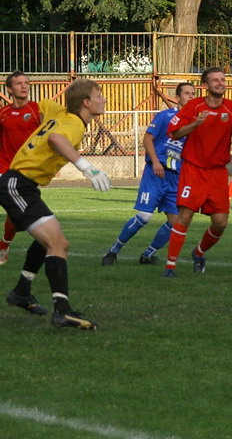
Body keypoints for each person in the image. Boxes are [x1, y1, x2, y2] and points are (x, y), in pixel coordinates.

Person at [1, 79, 111, 329]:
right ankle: (62, 312)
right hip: (18, 185)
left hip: (23, 185)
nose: (103, 99)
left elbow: (40, 107)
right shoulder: (73, 124)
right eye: (99, 95)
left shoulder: (58, 111)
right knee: (58, 244)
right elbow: (57, 140)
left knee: (48, 242)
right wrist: (87, 168)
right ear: (86, 103)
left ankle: (21, 292)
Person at [162, 67, 232, 277]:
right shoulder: (194, 106)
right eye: (215, 80)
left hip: (218, 172)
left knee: (220, 222)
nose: (221, 83)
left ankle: (198, 252)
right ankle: (170, 267)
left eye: (223, 80)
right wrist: (195, 123)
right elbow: (174, 133)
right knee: (185, 215)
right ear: (205, 85)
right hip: (193, 169)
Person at [101, 83, 195, 266]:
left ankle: (148, 254)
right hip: (156, 174)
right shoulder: (165, 116)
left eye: (193, 93)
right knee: (144, 216)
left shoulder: (196, 123)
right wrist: (156, 161)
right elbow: (147, 139)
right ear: (177, 98)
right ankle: (113, 250)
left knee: (176, 222)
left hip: (175, 178)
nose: (191, 96)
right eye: (186, 93)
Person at [0, 71, 41, 265]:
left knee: (14, 215)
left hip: (24, 172)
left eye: (26, 83)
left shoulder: (36, 111)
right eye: (18, 83)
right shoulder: (3, 113)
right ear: (9, 89)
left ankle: (3, 246)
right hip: (2, 167)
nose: (24, 86)